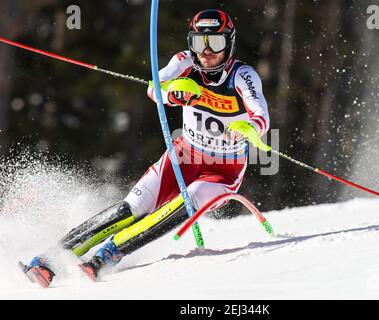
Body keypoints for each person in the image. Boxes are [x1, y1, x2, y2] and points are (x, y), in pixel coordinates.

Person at [24, 9, 270, 286]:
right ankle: (50, 259)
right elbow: (154, 88)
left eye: (216, 43)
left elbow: (261, 115)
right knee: (132, 207)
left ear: (230, 44)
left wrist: (249, 128)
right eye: (200, 43)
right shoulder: (183, 61)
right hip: (184, 154)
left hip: (223, 170)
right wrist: (174, 92)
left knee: (189, 198)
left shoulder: (242, 75)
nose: (208, 51)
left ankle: (110, 253)